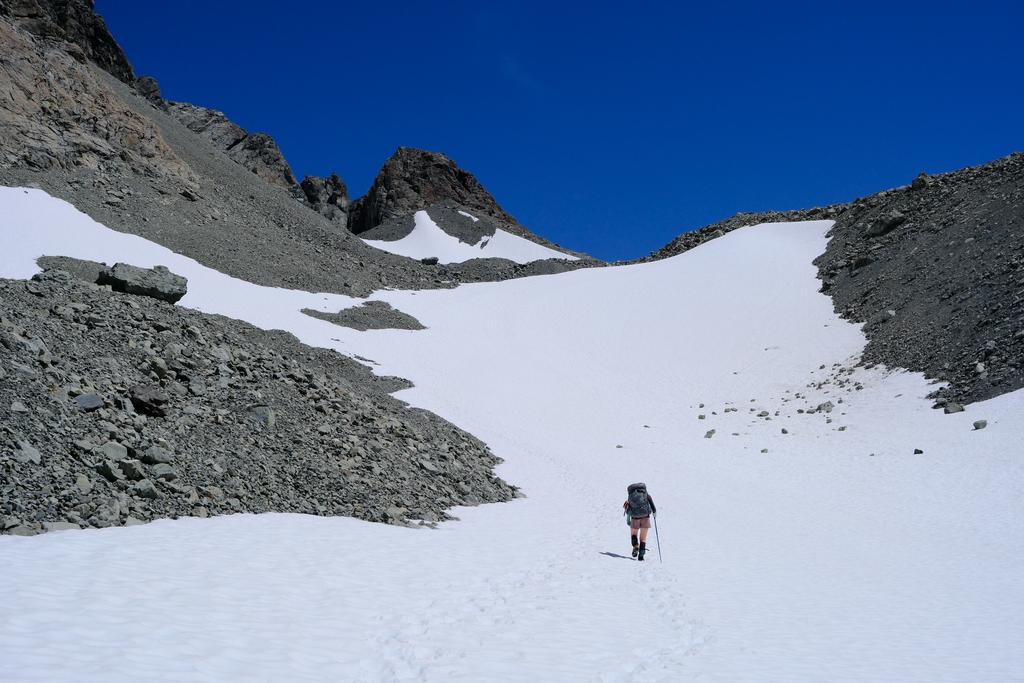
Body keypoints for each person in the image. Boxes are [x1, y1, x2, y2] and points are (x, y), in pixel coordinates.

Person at [623, 482, 656, 561]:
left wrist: (628, 520)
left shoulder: (630, 497)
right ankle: (641, 556)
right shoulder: (647, 495)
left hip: (635, 518)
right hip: (646, 518)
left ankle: (635, 546)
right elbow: (654, 509)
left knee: (634, 534)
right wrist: (654, 515)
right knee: (643, 538)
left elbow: (628, 510)